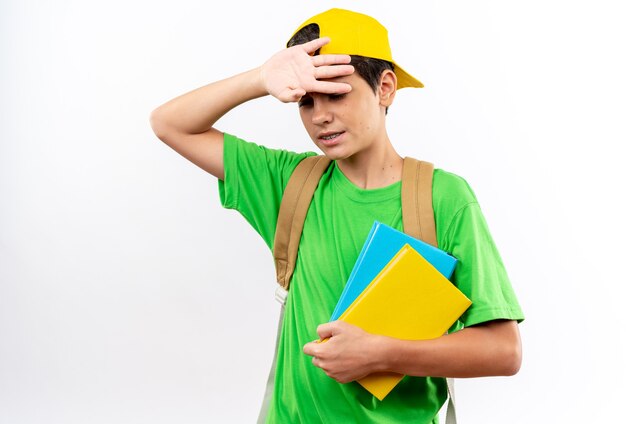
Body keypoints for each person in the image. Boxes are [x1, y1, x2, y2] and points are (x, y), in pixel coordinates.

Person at [149, 8, 524, 424]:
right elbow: (170, 124)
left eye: (337, 94)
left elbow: (503, 351)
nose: (319, 116)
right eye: (306, 101)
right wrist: (259, 79)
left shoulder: (443, 197)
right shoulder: (291, 183)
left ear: (384, 88)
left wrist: (381, 352)